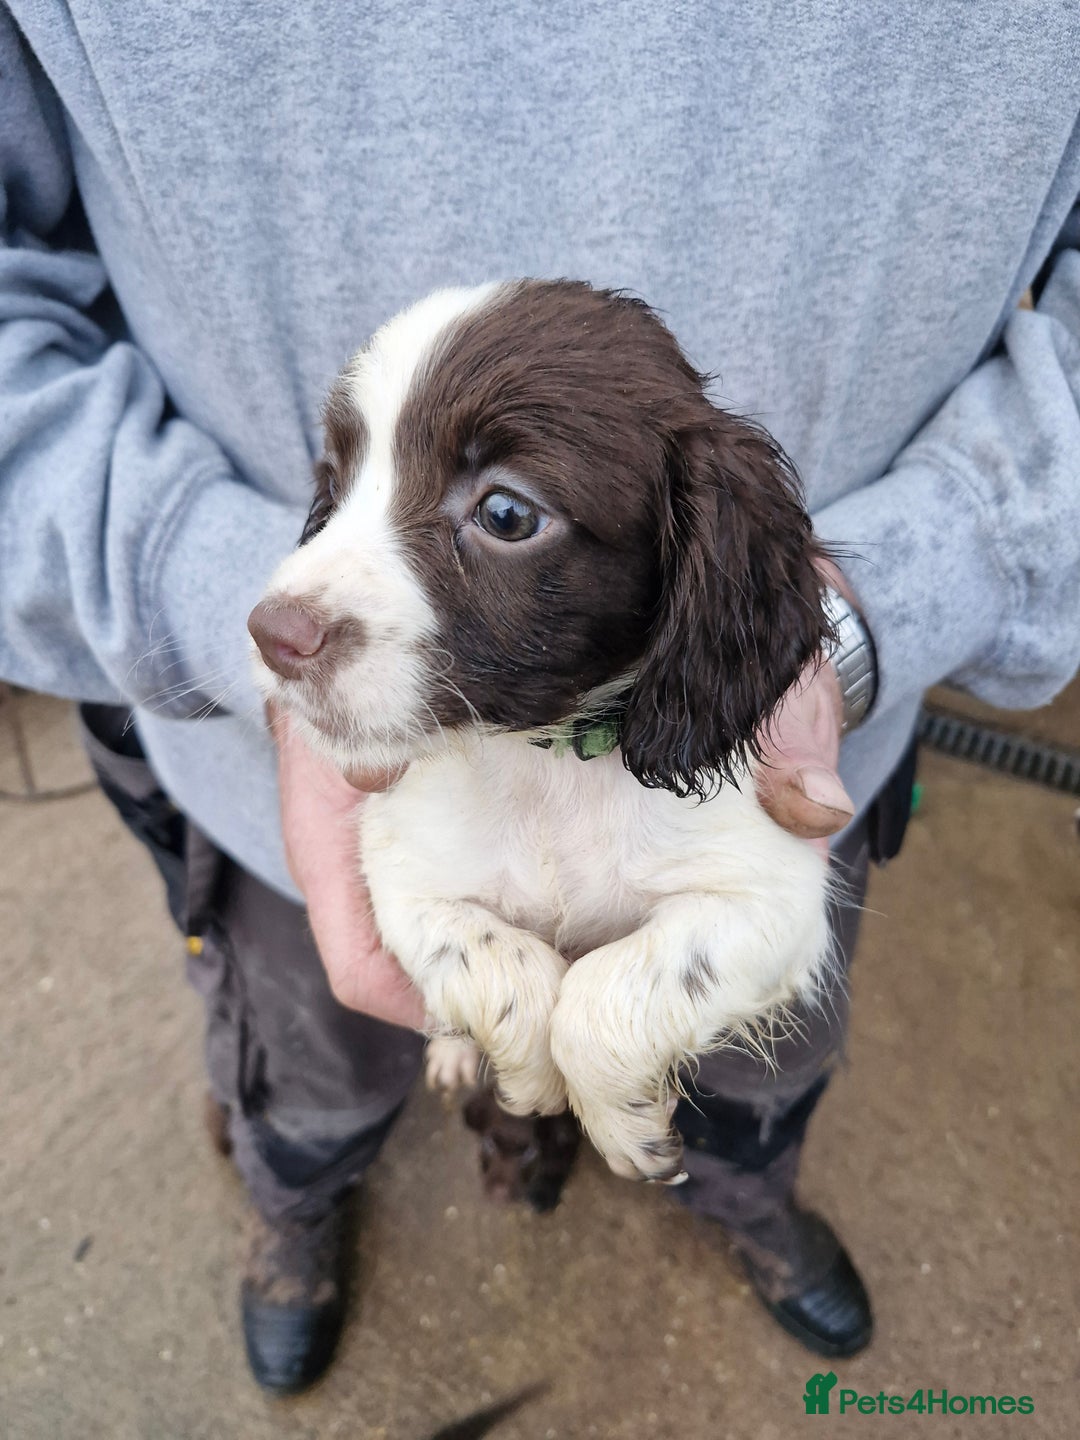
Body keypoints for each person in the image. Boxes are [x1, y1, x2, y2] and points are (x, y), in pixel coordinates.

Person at [2, 1, 1078, 1397]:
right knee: (313, 1070)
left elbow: (747, 906)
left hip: (778, 743)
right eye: (347, 480)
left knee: (757, 1067)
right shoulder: (318, 639)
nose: (302, 589)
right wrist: (193, 586)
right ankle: (297, 1207)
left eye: (496, 509)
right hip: (290, 802)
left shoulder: (719, 580)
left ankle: (744, 1202)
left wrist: (899, 597)